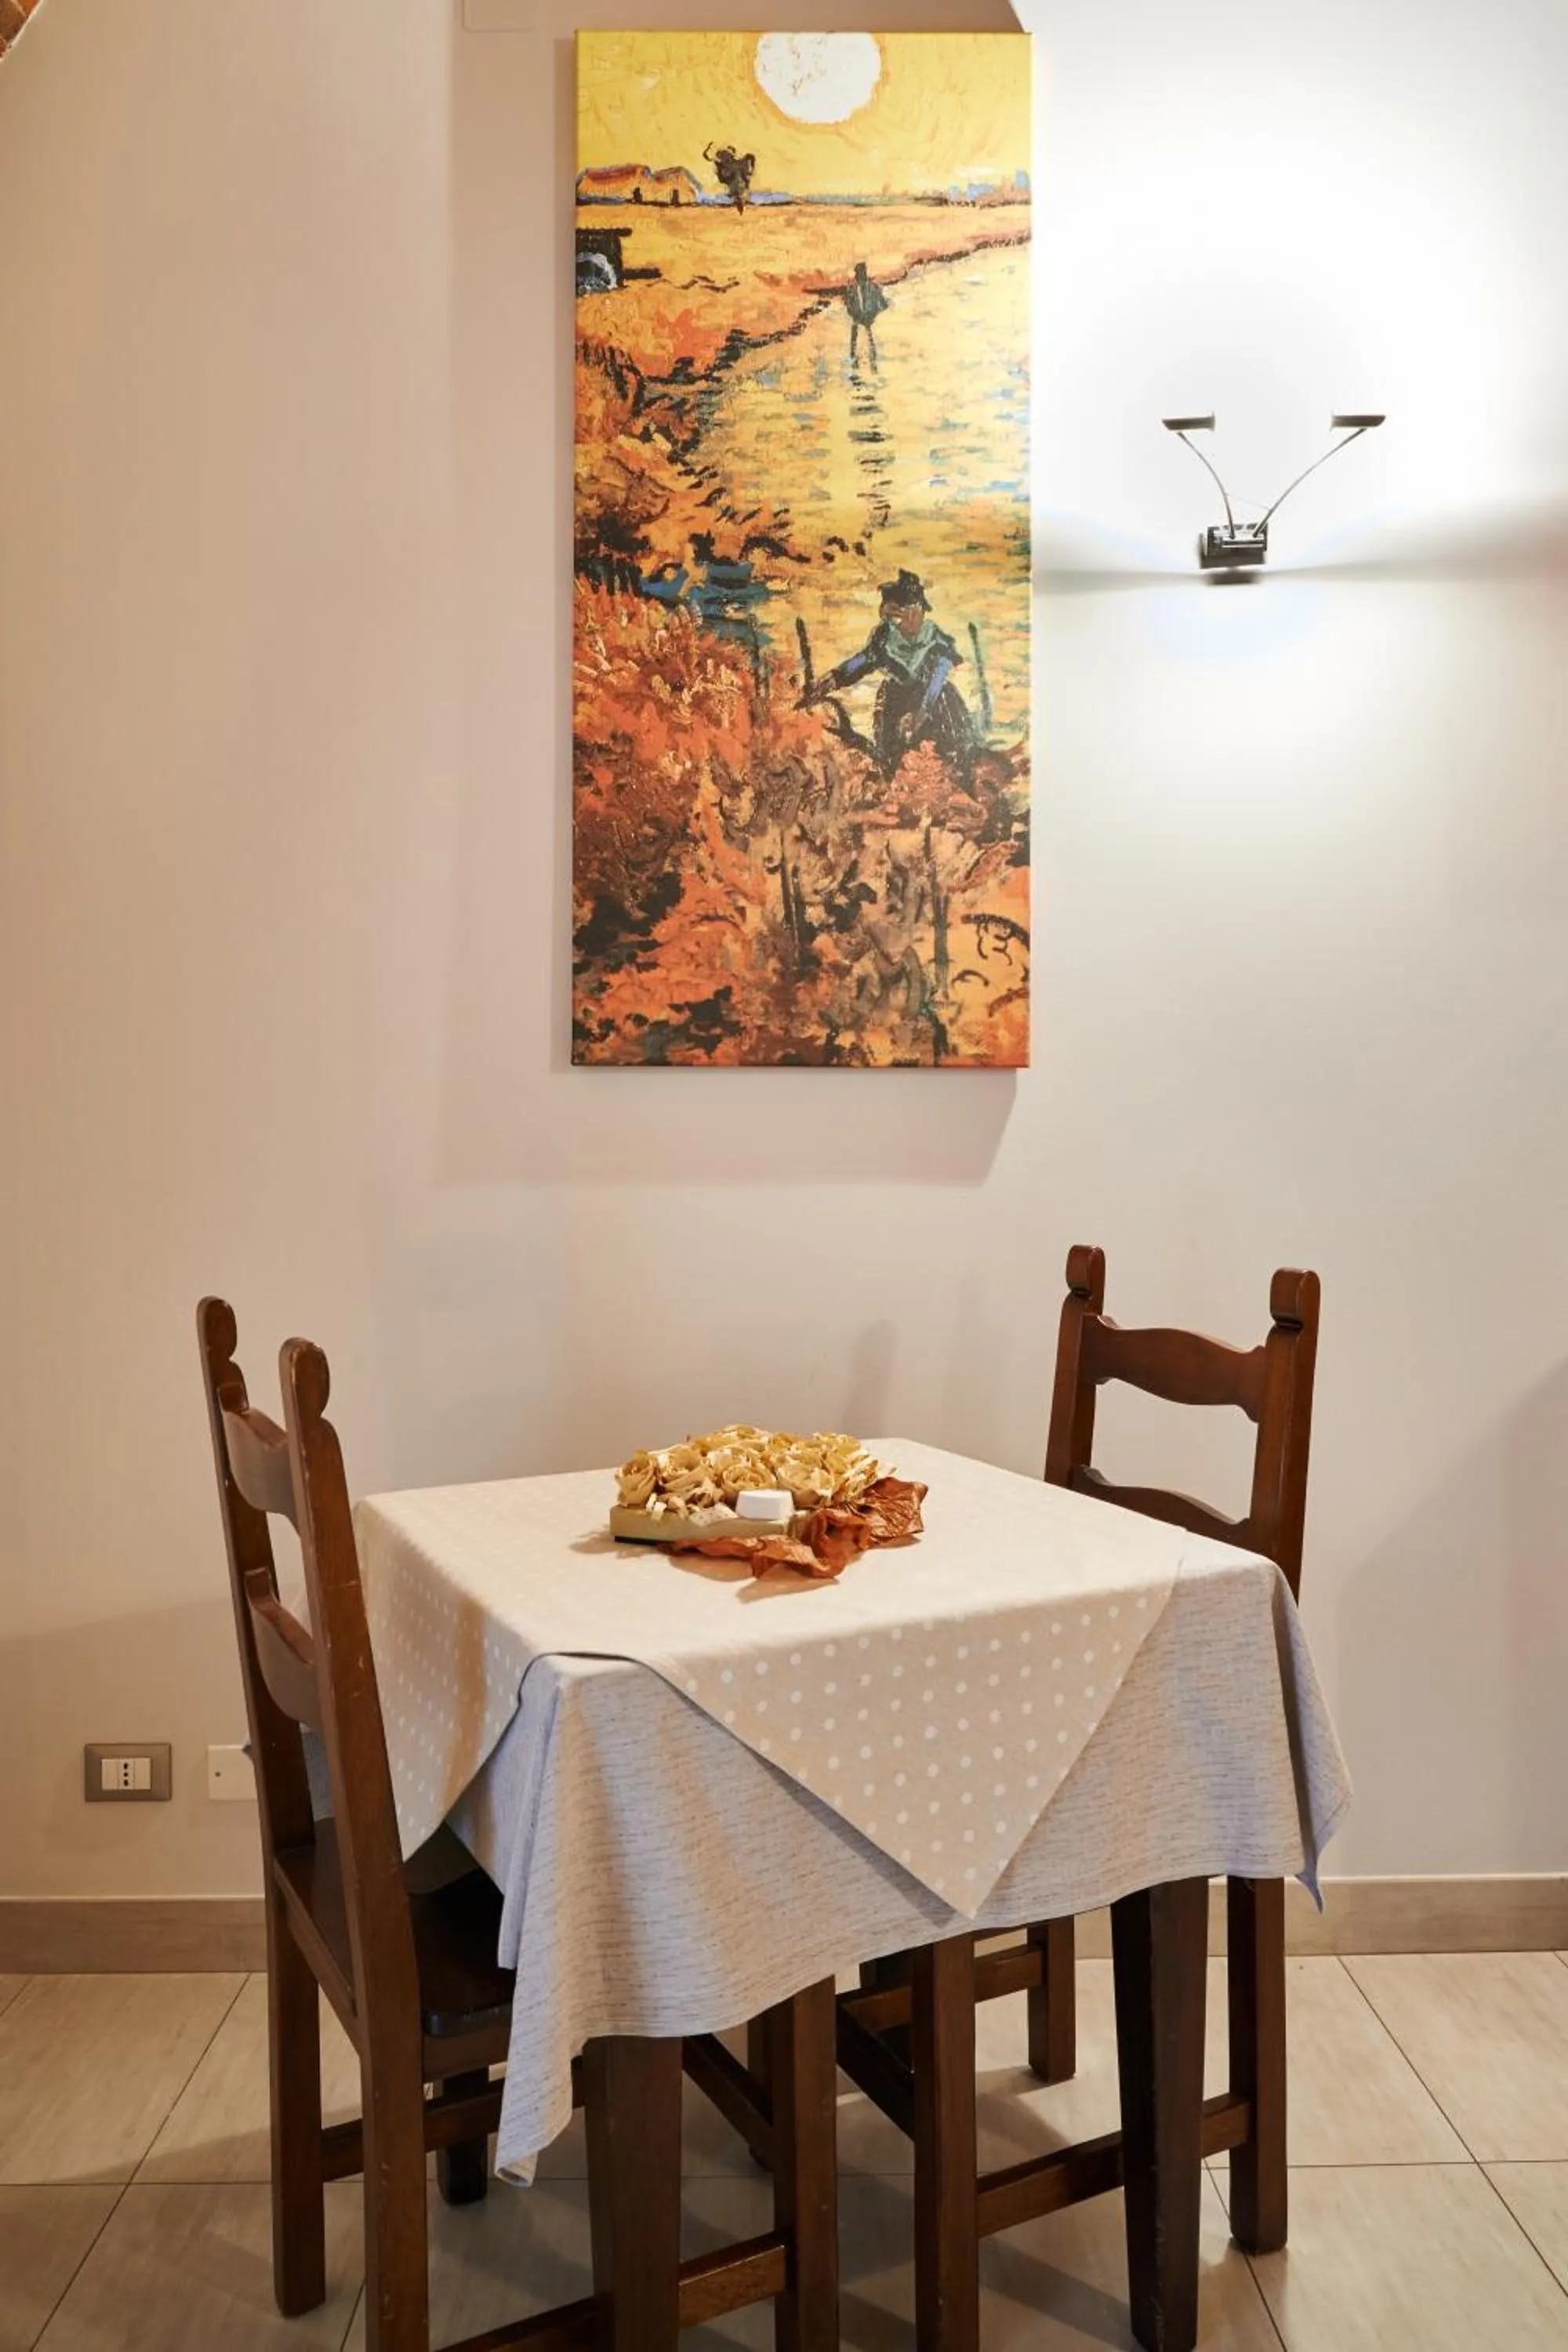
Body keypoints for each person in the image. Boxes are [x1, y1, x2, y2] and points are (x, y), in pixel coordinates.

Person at [805, 570, 978, 779]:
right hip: (896, 700)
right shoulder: (886, 638)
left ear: (917, 611)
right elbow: (862, 661)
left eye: (899, 615)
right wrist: (831, 680)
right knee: (890, 758)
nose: (896, 623)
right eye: (891, 617)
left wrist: (919, 716)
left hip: (934, 705)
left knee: (951, 752)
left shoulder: (937, 641)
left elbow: (936, 684)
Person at [842, 261, 889, 365]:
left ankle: (872, 361)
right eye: (858, 274)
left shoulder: (873, 288)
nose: (859, 277)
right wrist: (856, 315)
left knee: (871, 348)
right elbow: (848, 305)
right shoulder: (852, 289)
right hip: (857, 321)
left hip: (870, 322)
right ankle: (853, 359)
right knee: (855, 345)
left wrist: (873, 314)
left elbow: (884, 305)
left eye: (861, 274)